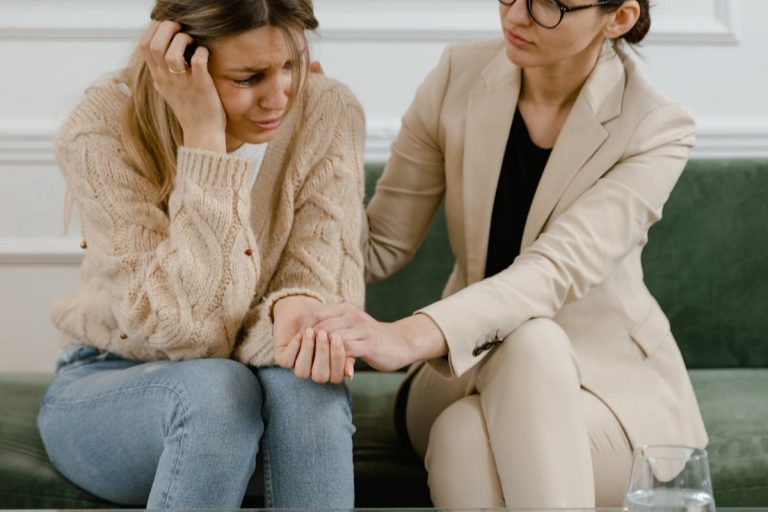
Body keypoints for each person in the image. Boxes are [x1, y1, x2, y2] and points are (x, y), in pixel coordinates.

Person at [292, 0, 708, 508]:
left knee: (466, 435)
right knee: (527, 343)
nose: (516, 16)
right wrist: (322, 136)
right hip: (458, 377)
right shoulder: (457, 77)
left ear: (618, 17)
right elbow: (375, 247)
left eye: (549, 6)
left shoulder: (656, 126)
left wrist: (406, 336)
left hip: (608, 393)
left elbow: (553, 270)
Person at [36, 0, 365, 509]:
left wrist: (291, 307)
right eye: (248, 77)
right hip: (115, 379)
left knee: (307, 384)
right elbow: (182, 331)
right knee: (217, 391)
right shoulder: (100, 126)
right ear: (180, 61)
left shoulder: (328, 110)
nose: (278, 96)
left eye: (290, 66)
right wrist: (205, 143)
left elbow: (323, 303)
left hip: (261, 394)